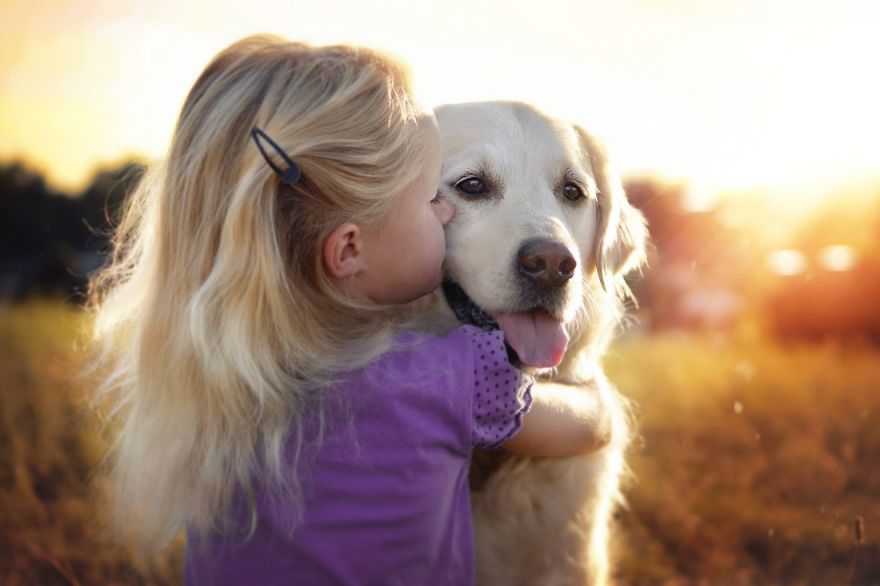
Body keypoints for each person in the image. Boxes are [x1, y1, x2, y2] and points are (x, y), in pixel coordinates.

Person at [88, 35, 611, 585]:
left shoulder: (219, 374)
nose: (554, 252)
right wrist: (592, 388)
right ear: (349, 249)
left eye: (572, 193)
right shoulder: (436, 376)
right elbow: (592, 426)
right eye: (461, 190)